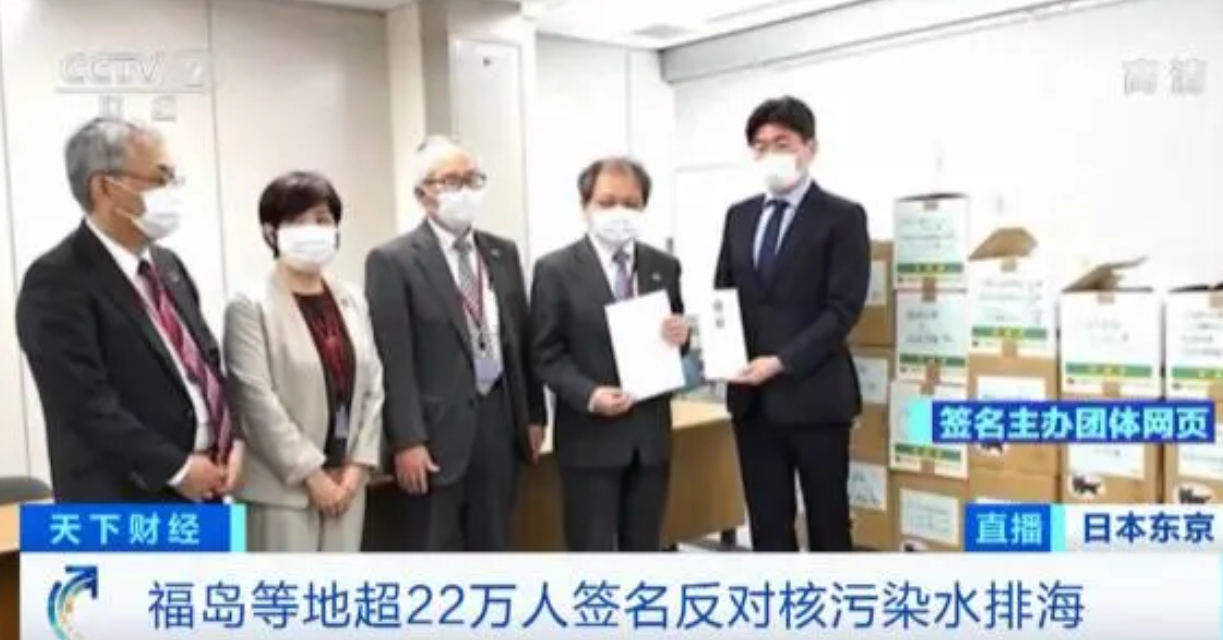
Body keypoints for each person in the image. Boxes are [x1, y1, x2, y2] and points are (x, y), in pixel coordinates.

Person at [15, 117, 243, 502]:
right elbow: (84, 404)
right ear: (105, 187)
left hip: (207, 486)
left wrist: (232, 438)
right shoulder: (56, 280)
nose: (171, 191)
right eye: (161, 178)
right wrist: (177, 468)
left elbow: (206, 359)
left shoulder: (167, 265)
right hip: (128, 498)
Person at [364, 136, 546, 552]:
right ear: (421, 194)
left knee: (495, 545)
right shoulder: (393, 261)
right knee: (437, 551)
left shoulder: (502, 253)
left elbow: (521, 339)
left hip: (499, 422)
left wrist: (534, 415)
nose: (463, 191)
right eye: (450, 181)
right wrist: (407, 440)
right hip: (434, 435)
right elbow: (395, 360)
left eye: (472, 180)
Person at [714, 96, 870, 552]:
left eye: (782, 143)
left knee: (828, 522)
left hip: (815, 395)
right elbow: (724, 294)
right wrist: (719, 350)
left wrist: (781, 361)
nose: (771, 154)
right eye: (760, 146)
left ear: (810, 148)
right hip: (752, 401)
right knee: (767, 524)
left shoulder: (842, 217)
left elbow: (842, 309)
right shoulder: (739, 216)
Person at [531, 156, 689, 552]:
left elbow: (676, 342)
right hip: (590, 441)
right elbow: (546, 354)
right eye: (607, 202)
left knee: (644, 552)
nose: (620, 212)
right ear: (585, 205)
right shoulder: (555, 270)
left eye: (631, 203)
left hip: (649, 440)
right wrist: (589, 394)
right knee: (592, 555)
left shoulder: (664, 266)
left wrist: (680, 335)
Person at [223, 171, 384, 552]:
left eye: (323, 220)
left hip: (347, 484)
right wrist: (313, 475)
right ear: (270, 232)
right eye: (297, 221)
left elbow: (373, 386)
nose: (313, 230)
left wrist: (357, 466)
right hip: (283, 492)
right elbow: (256, 402)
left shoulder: (352, 299)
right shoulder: (249, 305)